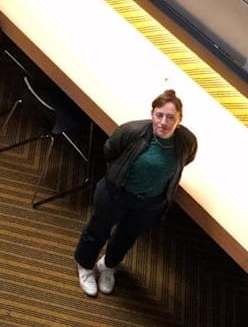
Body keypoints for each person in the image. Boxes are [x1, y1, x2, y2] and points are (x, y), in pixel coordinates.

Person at [73, 89, 197, 297]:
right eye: (159, 115)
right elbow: (110, 150)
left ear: (179, 120)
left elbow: (188, 158)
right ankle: (85, 266)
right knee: (97, 230)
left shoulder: (186, 141)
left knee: (126, 237)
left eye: (170, 118)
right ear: (152, 114)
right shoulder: (133, 131)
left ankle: (108, 265)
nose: (163, 122)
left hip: (150, 203)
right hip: (116, 193)